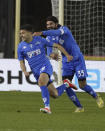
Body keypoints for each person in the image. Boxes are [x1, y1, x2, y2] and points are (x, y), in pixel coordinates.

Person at [33, 16, 104, 109]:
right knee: (66, 84)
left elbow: (57, 32)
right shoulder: (49, 38)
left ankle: (96, 97)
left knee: (82, 85)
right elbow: (49, 51)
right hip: (66, 62)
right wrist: (52, 55)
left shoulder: (64, 29)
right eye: (47, 24)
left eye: (51, 24)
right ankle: (79, 107)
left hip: (78, 59)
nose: (49, 26)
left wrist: (42, 32)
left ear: (56, 23)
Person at [17, 24, 83, 114]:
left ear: (30, 33)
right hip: (36, 71)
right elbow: (21, 62)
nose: (21, 35)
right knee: (55, 94)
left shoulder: (39, 40)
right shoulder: (20, 47)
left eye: (23, 33)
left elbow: (57, 46)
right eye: (20, 33)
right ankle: (66, 84)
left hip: (45, 66)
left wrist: (67, 55)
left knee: (41, 82)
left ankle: (47, 108)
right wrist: (24, 71)